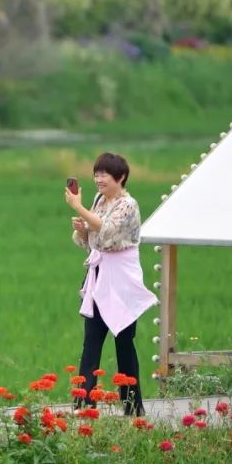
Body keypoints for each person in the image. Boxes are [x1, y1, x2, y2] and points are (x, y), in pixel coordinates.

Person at [65, 153, 158, 416]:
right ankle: (84, 405)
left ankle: (132, 406)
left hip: (121, 280)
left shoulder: (129, 205)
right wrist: (83, 229)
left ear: (121, 177)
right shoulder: (99, 200)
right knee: (91, 341)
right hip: (99, 275)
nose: (98, 179)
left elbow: (107, 232)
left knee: (124, 342)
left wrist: (79, 209)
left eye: (104, 174)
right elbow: (93, 241)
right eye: (96, 174)